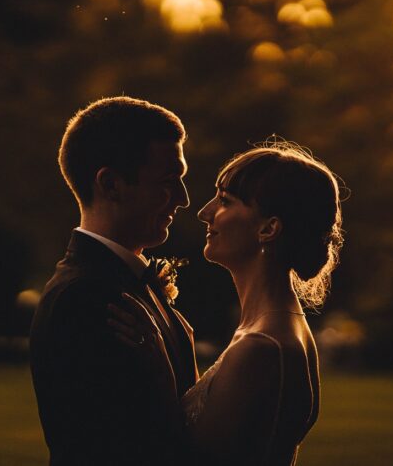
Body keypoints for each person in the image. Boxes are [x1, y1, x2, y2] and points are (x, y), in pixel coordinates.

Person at [109, 140, 345, 466]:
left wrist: (160, 374)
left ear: (268, 228)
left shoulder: (260, 346)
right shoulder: (283, 326)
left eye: (225, 201)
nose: (205, 213)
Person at [29, 96, 199, 466]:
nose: (183, 200)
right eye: (170, 182)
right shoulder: (86, 299)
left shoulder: (127, 282)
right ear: (111, 185)